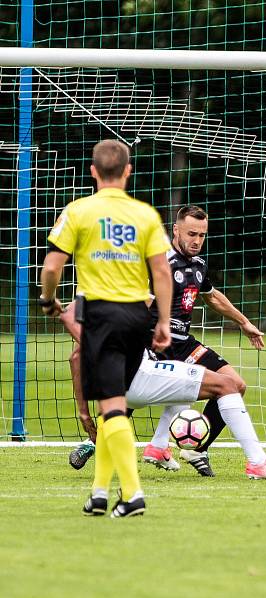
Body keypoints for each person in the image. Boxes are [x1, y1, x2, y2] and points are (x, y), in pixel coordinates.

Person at [40, 139, 173, 518]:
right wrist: (162, 321)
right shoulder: (146, 214)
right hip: (138, 317)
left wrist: (49, 301)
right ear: (128, 171)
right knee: (111, 405)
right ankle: (99, 493)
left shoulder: (79, 210)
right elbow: (162, 271)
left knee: (112, 407)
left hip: (100, 316)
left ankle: (132, 494)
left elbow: (51, 267)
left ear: (94, 172)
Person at [59, 303, 266, 487]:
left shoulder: (97, 298)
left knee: (188, 388)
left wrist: (83, 413)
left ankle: (157, 446)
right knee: (228, 385)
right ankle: (257, 461)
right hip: (146, 372)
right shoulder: (140, 284)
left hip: (119, 387)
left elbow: (75, 352)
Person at [144, 205, 265, 477]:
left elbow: (212, 296)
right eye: (191, 233)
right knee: (156, 396)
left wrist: (244, 323)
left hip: (185, 343)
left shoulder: (198, 265)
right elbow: (140, 299)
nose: (197, 240)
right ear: (175, 230)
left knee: (236, 384)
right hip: (158, 342)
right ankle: (101, 442)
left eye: (202, 235)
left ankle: (193, 447)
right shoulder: (160, 262)